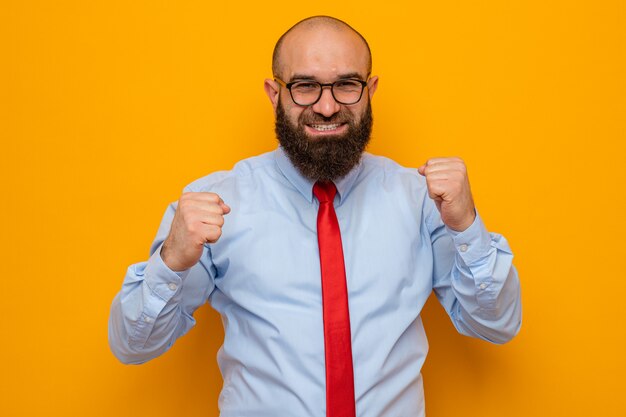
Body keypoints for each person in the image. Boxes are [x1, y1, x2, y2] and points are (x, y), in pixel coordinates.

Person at [108, 15, 521, 417]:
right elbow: (134, 345)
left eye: (346, 85)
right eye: (305, 86)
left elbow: (497, 324)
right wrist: (171, 261)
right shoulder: (215, 202)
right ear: (275, 93)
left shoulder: (422, 201)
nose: (327, 107)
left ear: (370, 90)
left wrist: (467, 227)